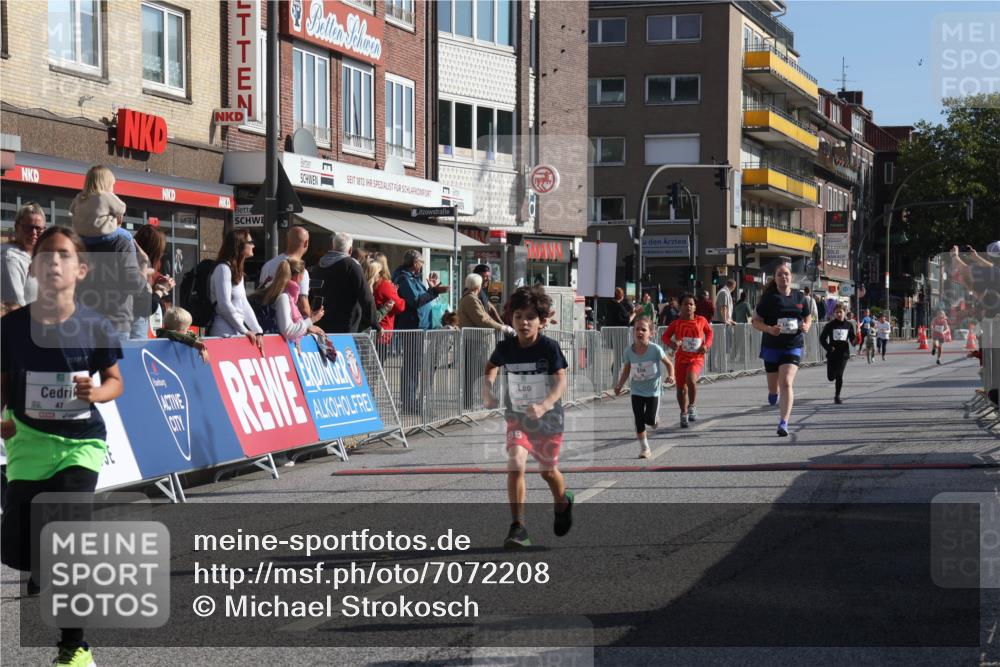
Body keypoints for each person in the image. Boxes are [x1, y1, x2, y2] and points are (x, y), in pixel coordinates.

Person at [1, 226, 124, 667]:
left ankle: (74, 647)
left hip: (80, 444)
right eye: (46, 255)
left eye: (64, 256)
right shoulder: (12, 328)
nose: (54, 262)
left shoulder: (95, 325)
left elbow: (115, 381)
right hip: (27, 442)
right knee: (14, 550)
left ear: (81, 269)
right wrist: (1, 417)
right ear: (33, 268)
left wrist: (97, 393)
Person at [483, 286, 572, 549]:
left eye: (530, 317)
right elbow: (491, 367)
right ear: (510, 319)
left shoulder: (549, 347)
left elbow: (561, 382)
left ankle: (562, 503)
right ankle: (518, 527)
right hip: (518, 416)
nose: (523, 322)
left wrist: (544, 405)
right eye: (518, 316)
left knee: (547, 472)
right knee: (516, 463)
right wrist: (488, 390)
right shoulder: (506, 347)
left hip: (548, 419)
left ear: (542, 322)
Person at [75, 168, 146, 345]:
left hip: (82, 318)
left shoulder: (75, 235)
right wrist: (144, 272)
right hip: (114, 319)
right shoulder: (121, 239)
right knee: (113, 372)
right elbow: (132, 283)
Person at [751, 260, 812, 437]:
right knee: (774, 388)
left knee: (786, 382)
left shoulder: (799, 297)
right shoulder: (769, 299)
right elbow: (755, 321)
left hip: (793, 345)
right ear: (775, 278)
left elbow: (807, 316)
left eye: (786, 274)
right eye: (779, 274)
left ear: (790, 277)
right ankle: (772, 394)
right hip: (772, 346)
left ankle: (783, 422)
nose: (783, 277)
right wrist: (770, 329)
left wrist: (806, 325)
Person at [394, 249, 449, 414]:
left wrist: (431, 288)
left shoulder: (413, 278)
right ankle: (409, 403)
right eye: (421, 262)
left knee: (414, 365)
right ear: (414, 263)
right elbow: (416, 301)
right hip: (411, 327)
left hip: (420, 327)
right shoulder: (404, 278)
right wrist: (434, 292)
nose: (423, 265)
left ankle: (411, 401)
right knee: (411, 365)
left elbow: (422, 297)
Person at [615, 317, 674, 458]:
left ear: (651, 333)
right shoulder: (628, 351)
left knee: (650, 420)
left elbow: (669, 364)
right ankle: (645, 448)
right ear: (633, 332)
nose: (640, 332)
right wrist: (619, 385)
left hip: (653, 391)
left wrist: (671, 375)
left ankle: (655, 419)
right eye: (637, 329)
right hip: (636, 390)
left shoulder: (655, 349)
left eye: (644, 329)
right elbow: (627, 370)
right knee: (639, 419)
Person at [662, 293, 714, 428]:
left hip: (696, 358)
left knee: (691, 379)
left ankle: (692, 406)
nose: (688, 307)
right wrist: (672, 344)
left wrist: (706, 345)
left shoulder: (701, 320)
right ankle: (683, 413)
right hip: (681, 359)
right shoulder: (676, 323)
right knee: (680, 389)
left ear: (695, 307)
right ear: (680, 306)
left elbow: (709, 333)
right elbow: (665, 336)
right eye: (685, 304)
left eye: (691, 304)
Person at [209, 229, 264, 352]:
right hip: (224, 334)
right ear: (239, 245)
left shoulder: (237, 271)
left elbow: (244, 304)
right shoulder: (223, 269)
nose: (253, 245)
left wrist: (258, 330)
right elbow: (224, 305)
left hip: (237, 333)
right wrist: (245, 330)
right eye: (250, 242)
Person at [312, 233, 377, 334]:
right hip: (345, 325)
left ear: (333, 247)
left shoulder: (319, 265)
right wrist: (375, 323)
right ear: (350, 250)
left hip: (320, 322)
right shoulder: (352, 266)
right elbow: (366, 296)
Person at [254, 259, 325, 342]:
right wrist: (312, 319)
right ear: (299, 276)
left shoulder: (284, 294)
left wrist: (308, 327)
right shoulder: (284, 297)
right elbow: (288, 331)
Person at [69, 165, 130, 250]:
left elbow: (71, 210)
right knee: (127, 236)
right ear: (106, 184)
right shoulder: (105, 196)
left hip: (81, 236)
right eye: (112, 185)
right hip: (101, 235)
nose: (113, 188)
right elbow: (122, 208)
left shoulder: (79, 197)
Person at [1, 202, 45, 315]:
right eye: (28, 228)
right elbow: (13, 306)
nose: (34, 233)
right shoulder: (10, 258)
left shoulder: (38, 256)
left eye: (38, 229)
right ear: (17, 228)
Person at [258, 225, 311, 317]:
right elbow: (303, 307)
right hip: (290, 323)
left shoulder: (268, 265)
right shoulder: (301, 271)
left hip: (268, 320)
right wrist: (311, 321)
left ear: (287, 241)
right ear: (306, 243)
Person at [130, 224, 173, 339]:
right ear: (153, 251)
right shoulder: (137, 269)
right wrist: (160, 291)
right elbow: (145, 308)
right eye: (161, 251)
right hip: (133, 337)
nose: (162, 254)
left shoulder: (131, 265)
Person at [819, 303, 855, 404]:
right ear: (834, 313)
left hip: (843, 354)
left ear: (845, 312)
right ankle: (832, 377)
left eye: (841, 312)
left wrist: (855, 341)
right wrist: (828, 347)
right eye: (837, 312)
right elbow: (822, 339)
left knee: (839, 375)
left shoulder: (848, 325)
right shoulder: (830, 325)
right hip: (832, 353)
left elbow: (852, 338)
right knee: (831, 377)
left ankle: (837, 396)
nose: (839, 314)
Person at [367, 252, 405, 344]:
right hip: (382, 332)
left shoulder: (368, 282)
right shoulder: (384, 284)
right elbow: (400, 307)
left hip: (371, 331)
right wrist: (400, 297)